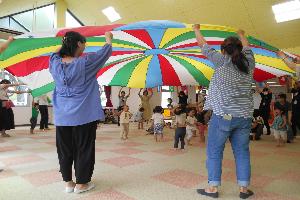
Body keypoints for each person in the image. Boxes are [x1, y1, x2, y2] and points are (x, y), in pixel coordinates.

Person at [194, 24, 255, 199]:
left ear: (223, 51)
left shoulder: (221, 61)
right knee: (242, 152)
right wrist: (242, 33)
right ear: (240, 49)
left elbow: (202, 45)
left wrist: (196, 29)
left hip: (224, 116)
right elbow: (248, 46)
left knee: (214, 151)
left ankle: (213, 189)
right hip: (244, 116)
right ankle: (243, 189)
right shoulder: (249, 62)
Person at [49, 31, 113, 194]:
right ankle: (82, 184)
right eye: (84, 43)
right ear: (78, 44)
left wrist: (64, 44)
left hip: (62, 117)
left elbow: (55, 52)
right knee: (84, 148)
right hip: (84, 115)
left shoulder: (54, 63)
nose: (85, 47)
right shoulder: (85, 63)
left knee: (64, 149)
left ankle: (69, 183)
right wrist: (108, 39)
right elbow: (105, 52)